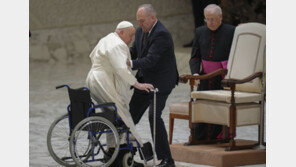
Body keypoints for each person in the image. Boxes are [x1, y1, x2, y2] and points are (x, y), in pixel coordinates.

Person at [85, 21, 154, 154]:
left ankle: (113, 150)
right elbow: (121, 68)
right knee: (122, 113)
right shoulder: (117, 44)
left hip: (93, 78)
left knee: (112, 114)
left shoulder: (107, 39)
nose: (132, 39)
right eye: (130, 35)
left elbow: (92, 56)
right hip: (102, 81)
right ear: (121, 32)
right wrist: (137, 84)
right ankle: (127, 150)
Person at [127, 4, 178, 167]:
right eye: (138, 21)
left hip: (160, 82)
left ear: (153, 18)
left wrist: (129, 63)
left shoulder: (161, 34)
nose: (139, 25)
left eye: (142, 21)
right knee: (129, 117)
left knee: (153, 117)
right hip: (144, 80)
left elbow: (151, 60)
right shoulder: (141, 30)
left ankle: (167, 160)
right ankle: (125, 154)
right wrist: (120, 54)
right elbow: (135, 51)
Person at [189, 4, 235, 141]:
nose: (210, 22)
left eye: (213, 19)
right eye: (207, 19)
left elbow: (236, 56)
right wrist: (196, 74)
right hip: (204, 78)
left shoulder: (231, 31)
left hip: (223, 78)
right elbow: (195, 57)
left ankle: (221, 138)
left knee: (220, 110)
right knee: (202, 108)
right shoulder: (199, 32)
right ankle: (201, 138)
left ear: (220, 17)